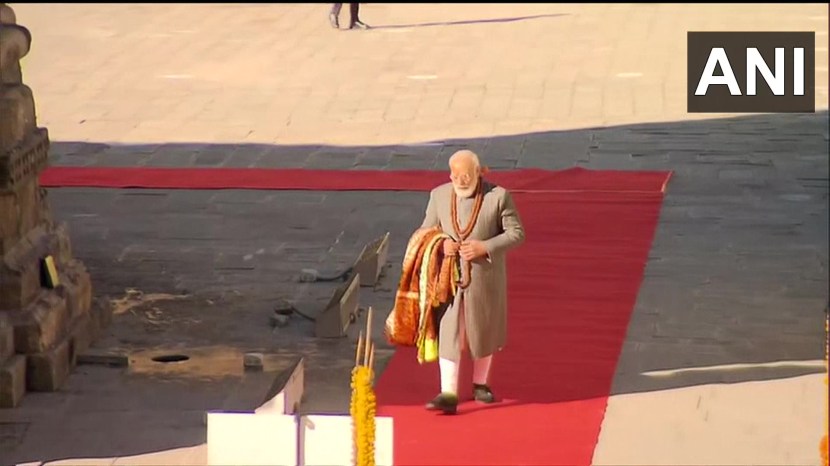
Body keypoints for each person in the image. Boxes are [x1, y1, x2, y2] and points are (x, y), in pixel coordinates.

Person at [419, 149, 525, 414]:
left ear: (479, 172)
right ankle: (448, 392)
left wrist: (485, 247)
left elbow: (516, 233)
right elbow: (425, 232)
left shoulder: (498, 197)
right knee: (449, 333)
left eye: (465, 175)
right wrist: (442, 244)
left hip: (484, 279)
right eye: (454, 175)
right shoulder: (439, 195)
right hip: (449, 280)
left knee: (482, 330)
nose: (460, 181)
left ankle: (481, 383)